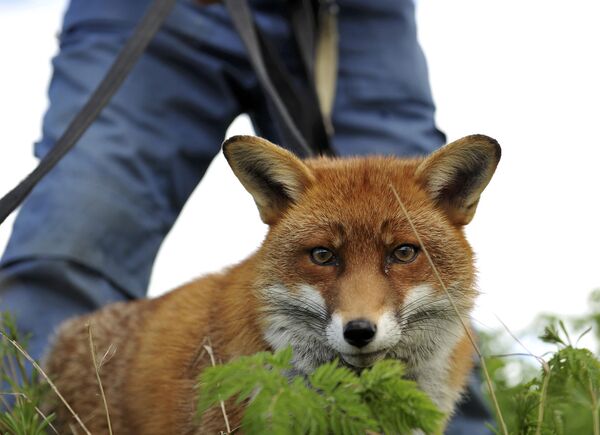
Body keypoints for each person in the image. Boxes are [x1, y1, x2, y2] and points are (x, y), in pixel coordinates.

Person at [0, 0, 492, 432]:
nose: (360, 310)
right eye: (323, 254)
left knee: (399, 198)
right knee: (71, 232)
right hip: (147, 9)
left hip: (350, 12)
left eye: (402, 252)